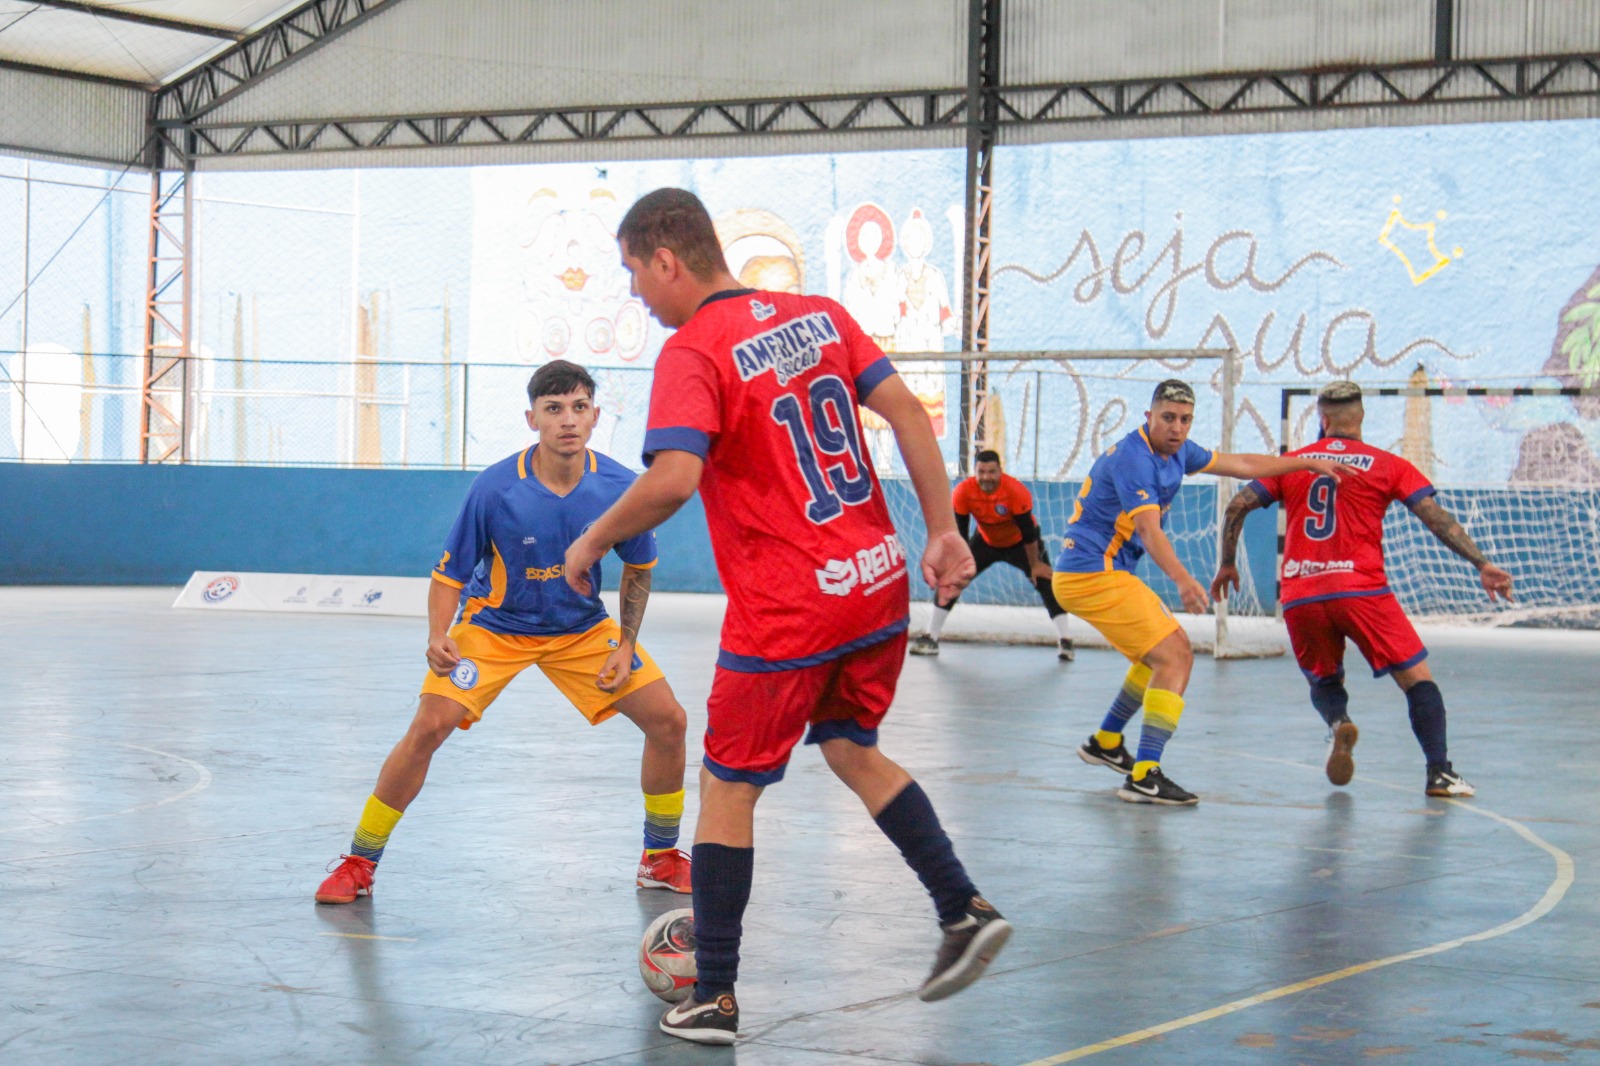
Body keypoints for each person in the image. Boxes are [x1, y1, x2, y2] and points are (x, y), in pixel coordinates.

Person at [565, 188, 1011, 1046]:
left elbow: (672, 480)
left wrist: (590, 542)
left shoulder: (695, 349)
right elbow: (910, 412)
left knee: (727, 784)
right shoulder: (822, 313)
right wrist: (944, 530)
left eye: (632, 273)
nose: (634, 295)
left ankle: (717, 994)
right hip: (875, 580)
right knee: (850, 747)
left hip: (788, 606)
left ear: (668, 259)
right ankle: (963, 907)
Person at [315, 360, 693, 906]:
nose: (568, 420)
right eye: (554, 409)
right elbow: (448, 574)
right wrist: (437, 633)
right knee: (428, 725)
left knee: (669, 721)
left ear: (596, 417)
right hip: (493, 627)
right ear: (531, 417)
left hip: (582, 631)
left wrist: (628, 642)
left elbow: (640, 568)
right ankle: (358, 861)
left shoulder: (619, 486)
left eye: (579, 408)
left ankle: (659, 858)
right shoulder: (495, 489)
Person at [1054, 379, 1354, 806]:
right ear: (1149, 417)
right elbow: (1148, 530)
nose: (1177, 428)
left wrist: (1304, 463)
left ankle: (1106, 741)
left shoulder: (1180, 452)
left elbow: (1243, 464)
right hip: (1091, 573)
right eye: (1168, 418)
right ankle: (1144, 775)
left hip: (1095, 573)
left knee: (1153, 659)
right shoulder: (1134, 459)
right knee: (1176, 655)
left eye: (1185, 420)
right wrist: (1181, 578)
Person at [1210, 380, 1512, 797]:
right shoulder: (1387, 464)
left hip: (1302, 594)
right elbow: (1436, 518)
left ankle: (1339, 724)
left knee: (1323, 679)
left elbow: (1238, 504)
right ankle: (1439, 773)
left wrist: (1227, 563)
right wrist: (1482, 563)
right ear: (1361, 418)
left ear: (1322, 419)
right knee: (1418, 680)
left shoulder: (1294, 462)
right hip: (1362, 592)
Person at [910, 449, 1075, 660]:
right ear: (975, 472)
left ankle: (1065, 641)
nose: (987, 477)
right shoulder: (963, 492)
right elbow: (960, 533)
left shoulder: (1016, 491)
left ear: (1000, 471)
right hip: (986, 541)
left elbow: (1028, 532)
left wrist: (1034, 564)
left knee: (1045, 581)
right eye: (982, 472)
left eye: (992, 472)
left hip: (1021, 544)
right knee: (952, 580)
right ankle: (930, 638)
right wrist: (956, 566)